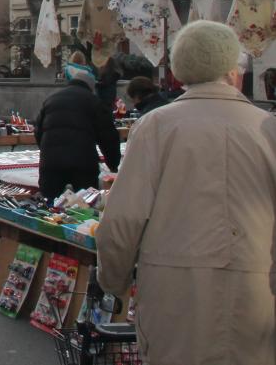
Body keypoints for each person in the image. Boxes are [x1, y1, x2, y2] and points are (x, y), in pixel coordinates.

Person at [97, 21, 276, 365]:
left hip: (174, 292)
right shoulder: (266, 128)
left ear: (180, 72)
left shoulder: (156, 126)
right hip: (256, 292)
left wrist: (113, 281)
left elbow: (122, 219)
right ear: (233, 71)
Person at [33, 59, 120, 201]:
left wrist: (48, 151)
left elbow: (38, 131)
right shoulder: (94, 102)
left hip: (51, 164)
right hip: (82, 163)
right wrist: (113, 164)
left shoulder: (51, 99)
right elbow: (108, 137)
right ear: (90, 87)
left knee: (48, 205)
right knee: (85, 205)